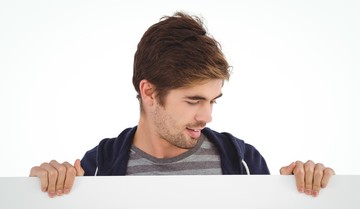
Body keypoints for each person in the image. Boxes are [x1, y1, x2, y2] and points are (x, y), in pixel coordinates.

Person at [29, 11, 335, 198]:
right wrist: (39, 196)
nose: (207, 116)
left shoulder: (243, 162)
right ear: (148, 92)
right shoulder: (96, 167)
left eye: (213, 101)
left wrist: (299, 197)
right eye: (194, 100)